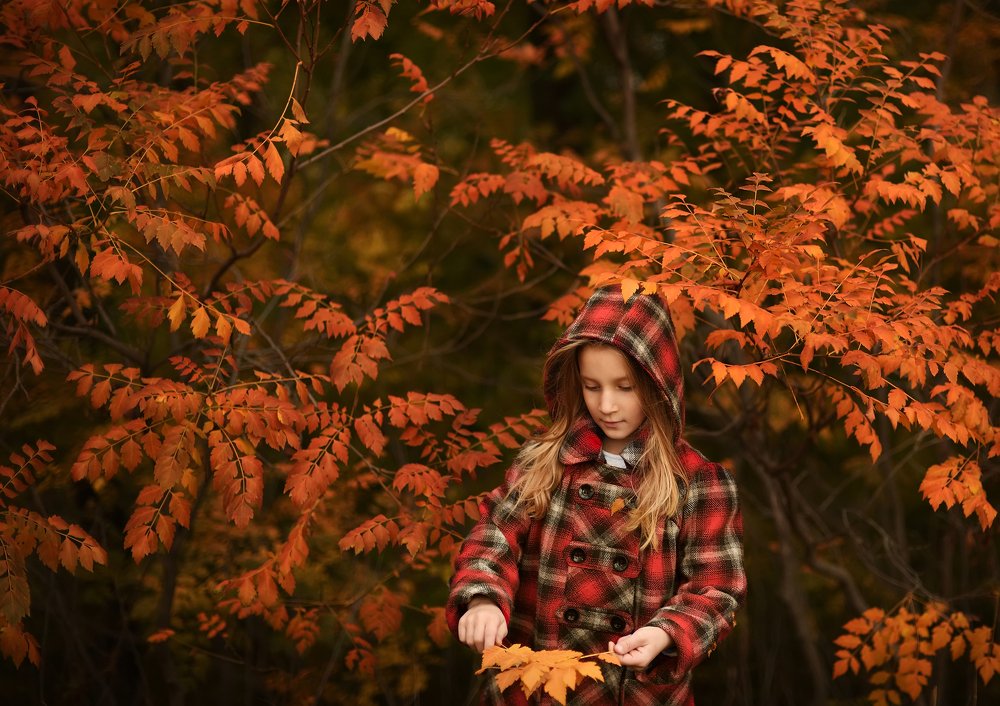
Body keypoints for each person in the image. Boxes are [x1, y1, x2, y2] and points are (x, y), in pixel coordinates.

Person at [446, 284, 746, 706]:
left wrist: (665, 633)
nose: (606, 405)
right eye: (592, 386)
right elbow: (495, 534)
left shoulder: (698, 483)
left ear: (657, 384)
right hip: (535, 690)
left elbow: (717, 588)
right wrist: (482, 598)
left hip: (635, 693)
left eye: (625, 387)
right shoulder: (546, 463)